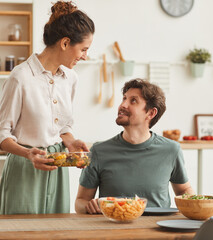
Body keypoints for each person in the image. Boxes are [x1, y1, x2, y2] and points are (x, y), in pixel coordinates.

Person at [0, 1, 95, 215]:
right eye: (83, 49)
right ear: (65, 43)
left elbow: (63, 127)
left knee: (56, 233)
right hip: (24, 167)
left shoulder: (70, 78)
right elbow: (0, 136)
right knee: (19, 234)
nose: (85, 56)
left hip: (58, 169)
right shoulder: (20, 77)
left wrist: (71, 142)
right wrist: (28, 154)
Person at [75, 79, 195, 214]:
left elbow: (184, 190)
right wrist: (89, 206)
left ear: (150, 113)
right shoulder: (98, 151)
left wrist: (194, 204)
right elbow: (80, 201)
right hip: (114, 230)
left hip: (157, 230)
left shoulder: (171, 150)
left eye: (133, 101)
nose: (123, 105)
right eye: (124, 98)